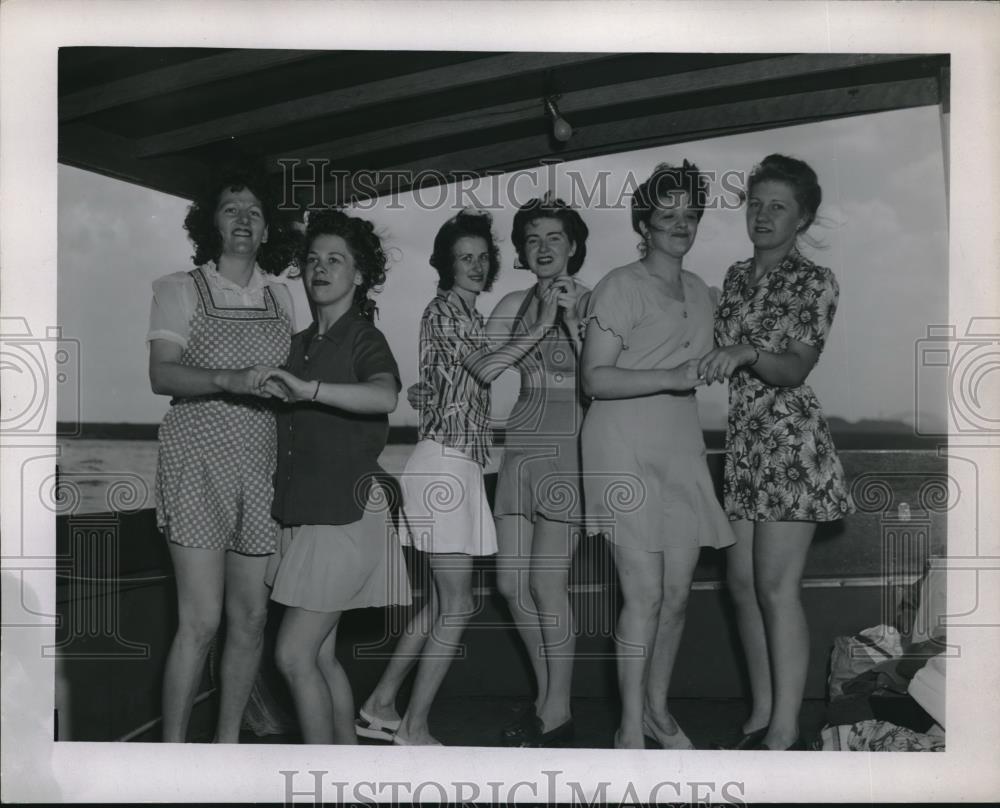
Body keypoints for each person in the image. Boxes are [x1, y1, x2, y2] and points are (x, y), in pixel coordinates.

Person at [698, 154, 854, 751]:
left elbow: (794, 367)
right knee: (739, 584)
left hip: (791, 446)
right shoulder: (735, 278)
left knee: (774, 586)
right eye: (755, 203)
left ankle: (788, 725)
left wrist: (744, 352)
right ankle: (763, 709)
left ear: (803, 217)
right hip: (743, 448)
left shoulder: (816, 281)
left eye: (777, 206)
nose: (762, 215)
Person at [580, 161, 736, 750]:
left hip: (679, 446)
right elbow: (595, 378)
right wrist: (673, 373)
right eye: (667, 215)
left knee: (675, 596)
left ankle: (656, 710)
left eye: (690, 215)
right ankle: (628, 730)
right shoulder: (620, 285)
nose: (680, 225)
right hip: (621, 445)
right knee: (643, 595)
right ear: (643, 222)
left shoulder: (700, 290)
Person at [148, 165, 296, 742]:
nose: (243, 219)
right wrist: (230, 379)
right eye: (231, 208)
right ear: (211, 222)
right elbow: (162, 376)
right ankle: (172, 755)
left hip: (262, 466)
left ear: (266, 231)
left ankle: (227, 746)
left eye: (254, 212)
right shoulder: (178, 288)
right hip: (197, 463)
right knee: (200, 622)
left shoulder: (283, 297)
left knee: (252, 619)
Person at [259, 209, 411, 744]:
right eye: (313, 259)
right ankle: (350, 774)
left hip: (346, 516)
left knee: (292, 654)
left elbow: (385, 394)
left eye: (335, 260)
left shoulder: (361, 337)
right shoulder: (298, 345)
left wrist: (310, 392)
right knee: (321, 658)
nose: (320, 269)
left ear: (359, 274)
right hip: (303, 516)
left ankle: (322, 780)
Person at [356, 210, 501, 746]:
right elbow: (485, 371)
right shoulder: (446, 310)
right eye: (465, 257)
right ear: (445, 263)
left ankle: (380, 706)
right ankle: (413, 728)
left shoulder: (466, 315)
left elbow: (446, 386)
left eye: (483, 257)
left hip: (453, 463)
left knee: (442, 603)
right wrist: (537, 327)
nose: (477, 266)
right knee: (457, 604)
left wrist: (427, 395)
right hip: (443, 466)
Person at [466, 196, 590, 746]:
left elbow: (603, 380)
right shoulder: (514, 302)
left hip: (570, 452)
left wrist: (571, 321)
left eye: (554, 238)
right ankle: (549, 701)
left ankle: (556, 713)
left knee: (546, 585)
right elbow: (482, 369)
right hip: (519, 449)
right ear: (520, 250)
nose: (543, 249)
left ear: (574, 246)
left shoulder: (594, 301)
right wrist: (540, 323)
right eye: (532, 239)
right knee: (511, 585)